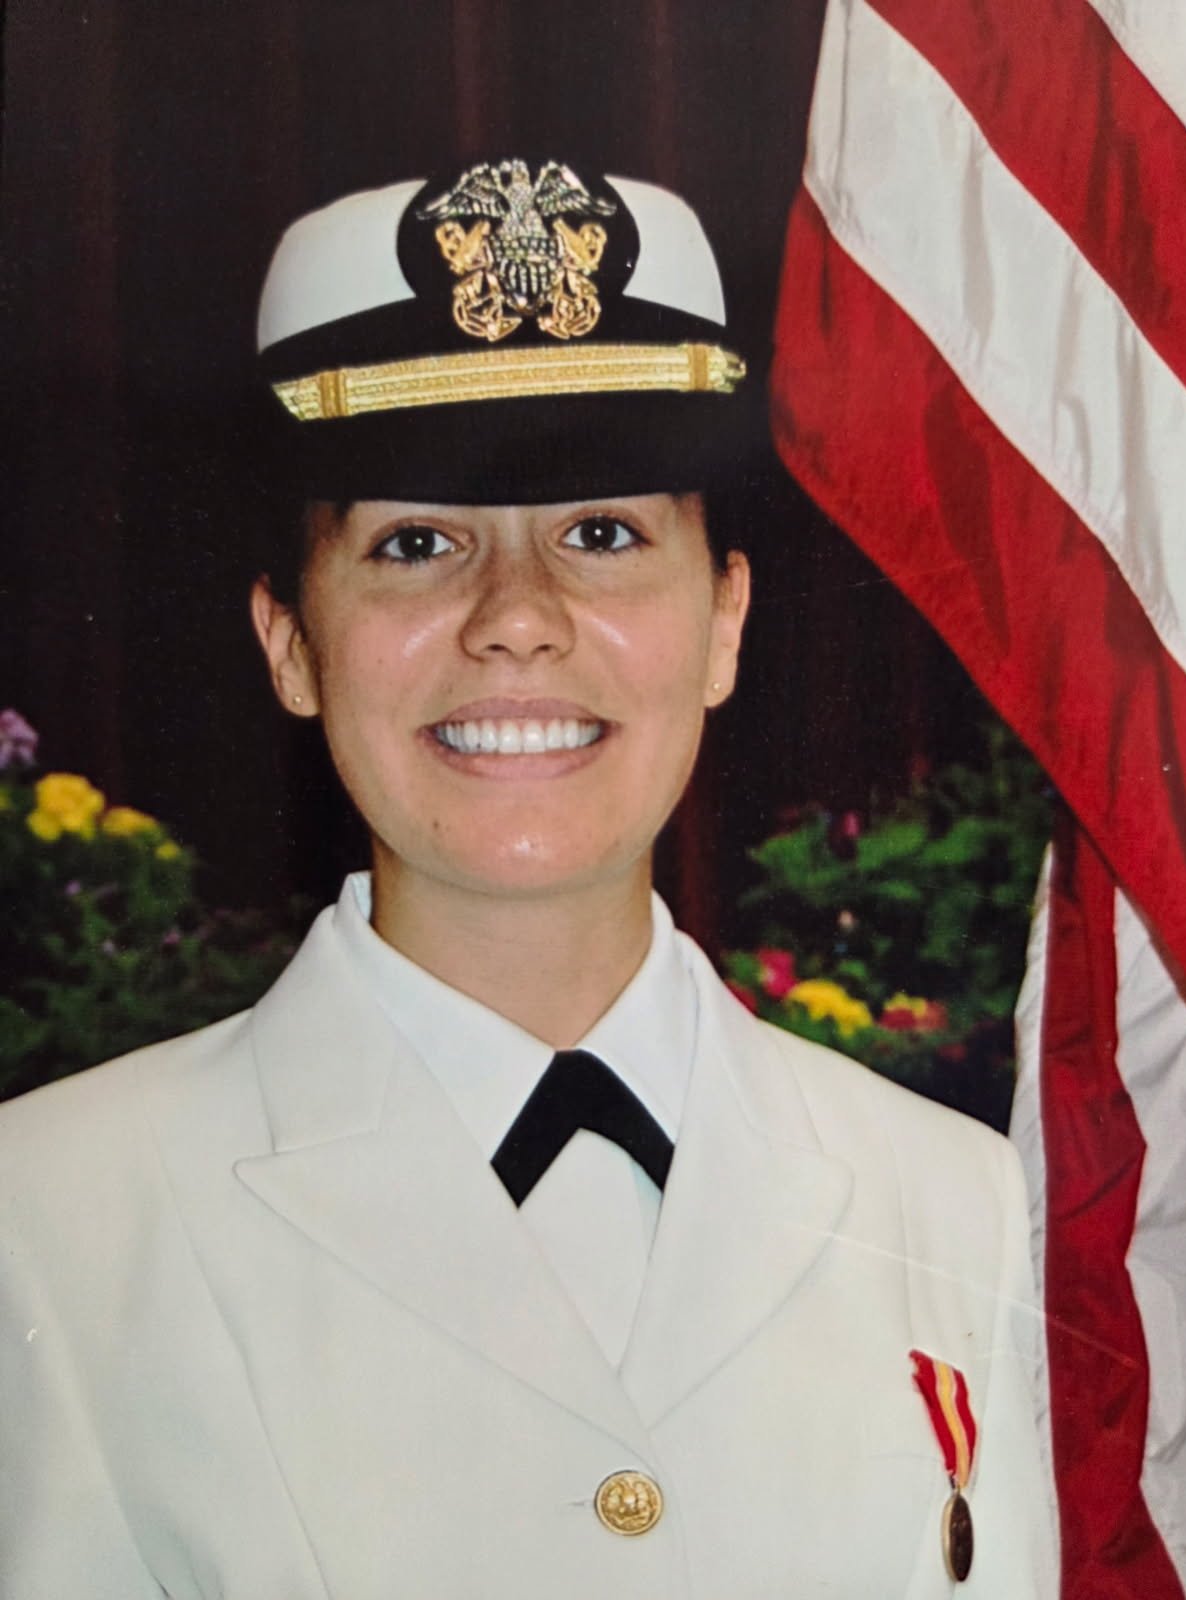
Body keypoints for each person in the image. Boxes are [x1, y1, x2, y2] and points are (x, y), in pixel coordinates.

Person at [0, 156, 1056, 1597]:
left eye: (604, 535)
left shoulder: (946, 1198)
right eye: (418, 543)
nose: (516, 621)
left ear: (725, 619)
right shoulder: (54, 1221)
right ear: (290, 643)